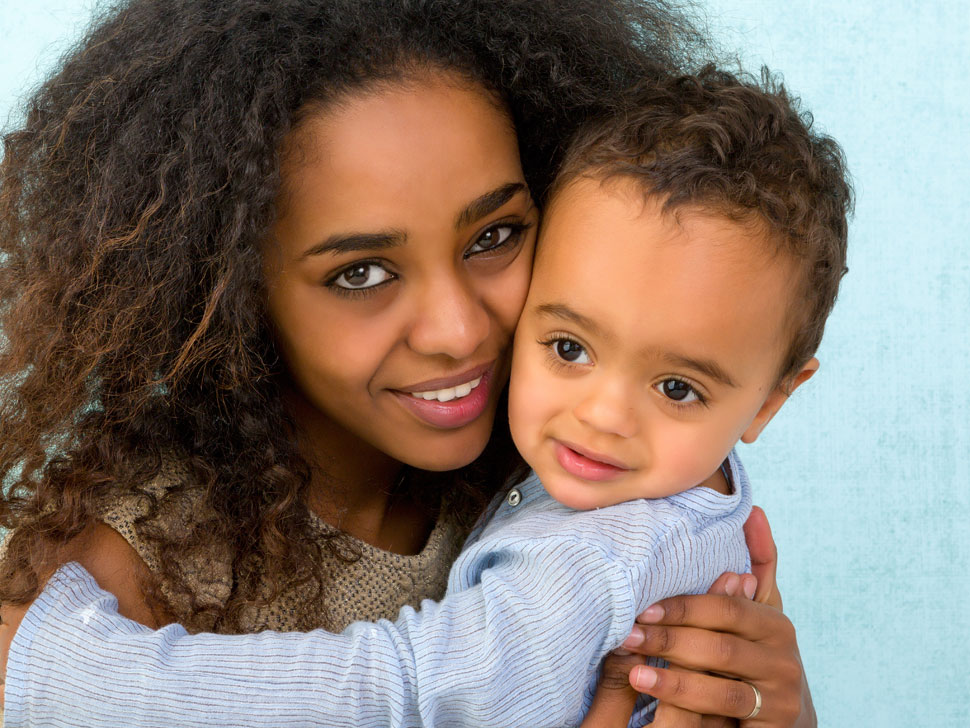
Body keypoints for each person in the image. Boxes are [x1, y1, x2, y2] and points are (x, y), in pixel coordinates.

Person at [0, 1, 816, 725]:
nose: (459, 331)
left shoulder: (580, 465)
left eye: (494, 236)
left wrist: (773, 711)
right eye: (361, 273)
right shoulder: (124, 582)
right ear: (229, 287)